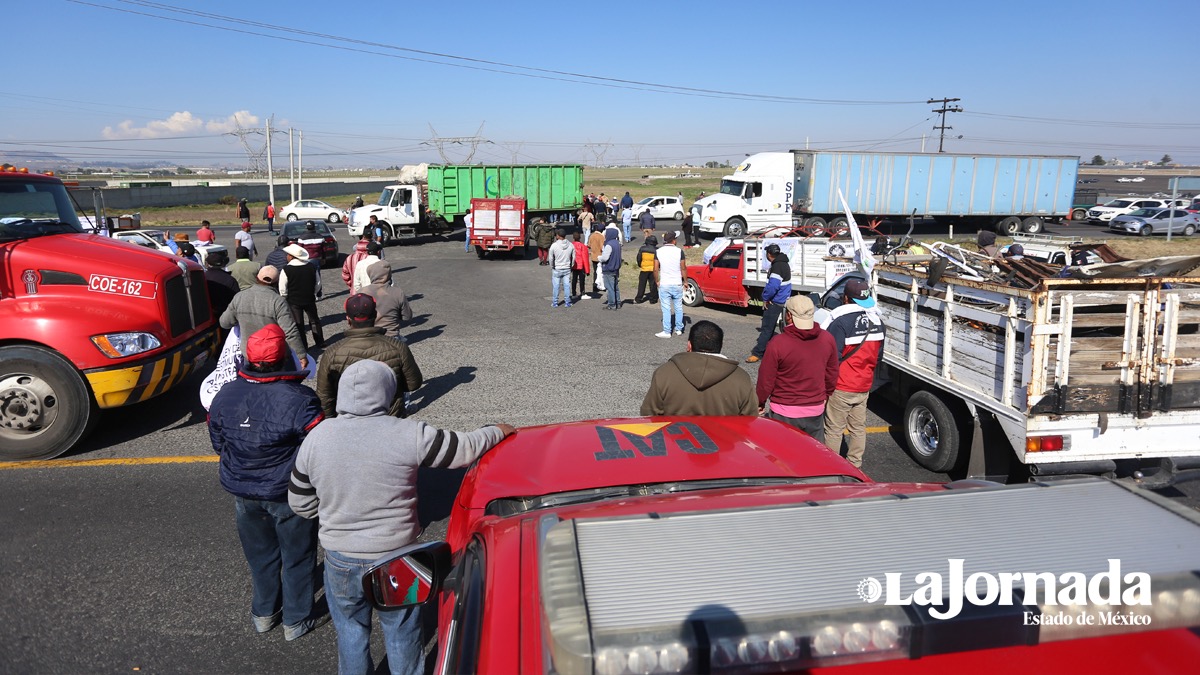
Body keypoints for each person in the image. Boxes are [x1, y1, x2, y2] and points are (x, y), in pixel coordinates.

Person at [289, 360, 515, 675]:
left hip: (340, 557)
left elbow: (299, 503)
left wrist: (331, 512)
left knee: (351, 633)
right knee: (402, 632)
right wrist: (496, 430)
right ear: (386, 392)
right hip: (396, 557)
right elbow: (464, 450)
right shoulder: (407, 433)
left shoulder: (318, 437)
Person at [208, 324, 325, 641]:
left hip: (244, 491)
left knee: (261, 558)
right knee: (298, 558)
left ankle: (264, 614)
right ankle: (296, 620)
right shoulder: (301, 399)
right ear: (283, 358)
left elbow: (218, 443)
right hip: (288, 493)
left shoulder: (226, 394)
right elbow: (318, 447)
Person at [316, 294, 422, 419]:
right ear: (375, 315)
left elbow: (324, 396)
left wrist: (331, 422)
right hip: (389, 417)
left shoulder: (331, 353)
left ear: (348, 319)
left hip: (348, 421)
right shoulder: (398, 347)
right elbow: (413, 383)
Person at [820, 278, 886, 468]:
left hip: (842, 384)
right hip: (864, 384)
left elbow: (831, 356)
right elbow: (878, 357)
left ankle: (833, 467)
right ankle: (855, 464)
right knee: (858, 428)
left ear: (846, 298)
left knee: (833, 429)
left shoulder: (841, 321)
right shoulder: (878, 321)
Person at [756, 295, 839, 444]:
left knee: (784, 456)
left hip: (784, 410)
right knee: (813, 455)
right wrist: (825, 395)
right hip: (815, 408)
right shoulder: (827, 339)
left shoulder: (778, 343)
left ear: (788, 315)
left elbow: (766, 379)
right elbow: (832, 373)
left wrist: (760, 401)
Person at [640, 320, 757, 416]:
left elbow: (648, 414)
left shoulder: (664, 373)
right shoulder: (742, 379)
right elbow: (749, 419)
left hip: (673, 442)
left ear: (689, 345)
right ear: (720, 346)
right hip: (722, 443)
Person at [221, 265, 308, 368]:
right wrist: (301, 355)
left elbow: (224, 323)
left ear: (257, 278)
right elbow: (289, 331)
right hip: (274, 355)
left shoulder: (239, 297)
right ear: (276, 282)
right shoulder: (278, 301)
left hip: (249, 354)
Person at [745, 244, 791, 363]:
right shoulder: (783, 263)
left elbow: (773, 286)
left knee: (766, 328)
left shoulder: (777, 266)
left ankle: (758, 353)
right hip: (781, 300)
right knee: (773, 329)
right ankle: (772, 349)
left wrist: (766, 298)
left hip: (775, 301)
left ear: (769, 254)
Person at [278, 244, 324, 350]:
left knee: (299, 324)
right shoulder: (310, 266)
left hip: (293, 301)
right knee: (314, 320)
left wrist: (285, 297)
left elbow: (282, 288)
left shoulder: (286, 269)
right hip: (309, 298)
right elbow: (318, 284)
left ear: (291, 256)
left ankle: (303, 345)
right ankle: (320, 342)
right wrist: (313, 292)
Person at [361, 260, 413, 341]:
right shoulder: (398, 292)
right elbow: (407, 317)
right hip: (391, 337)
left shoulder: (362, 292)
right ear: (389, 275)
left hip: (369, 337)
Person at [654, 231, 687, 338]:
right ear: (673, 240)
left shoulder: (658, 251)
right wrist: (685, 281)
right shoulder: (679, 251)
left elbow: (655, 269)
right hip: (677, 282)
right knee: (678, 306)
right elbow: (683, 268)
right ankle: (679, 329)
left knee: (666, 308)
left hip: (665, 283)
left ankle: (667, 331)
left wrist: (657, 281)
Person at [204, 249, 240, 318]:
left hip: (207, 316)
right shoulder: (230, 279)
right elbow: (236, 300)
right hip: (225, 315)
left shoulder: (203, 278)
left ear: (207, 264)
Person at [548, 227, 575, 308]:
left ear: (559, 236)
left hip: (557, 268)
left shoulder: (554, 245)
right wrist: (571, 265)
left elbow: (551, 258)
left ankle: (555, 302)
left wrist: (552, 266)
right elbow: (574, 257)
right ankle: (567, 302)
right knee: (567, 286)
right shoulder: (570, 245)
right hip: (567, 268)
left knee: (556, 286)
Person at [599, 225, 622, 310]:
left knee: (610, 287)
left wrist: (599, 258)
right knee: (616, 287)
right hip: (616, 268)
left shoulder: (609, 245)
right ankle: (618, 302)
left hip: (609, 268)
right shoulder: (617, 243)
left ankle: (612, 304)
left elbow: (605, 257)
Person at [634, 235, 659, 304]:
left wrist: (640, 265)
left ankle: (638, 298)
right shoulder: (657, 250)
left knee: (642, 285)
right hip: (653, 270)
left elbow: (639, 258)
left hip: (644, 269)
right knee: (653, 285)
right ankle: (653, 299)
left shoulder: (642, 249)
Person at [570, 232, 592, 302]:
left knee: (574, 279)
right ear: (580, 238)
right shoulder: (583, 246)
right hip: (581, 265)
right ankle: (582, 293)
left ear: (573, 237)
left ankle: (573, 293)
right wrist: (587, 270)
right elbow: (585, 258)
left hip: (573, 265)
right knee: (582, 279)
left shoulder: (571, 245)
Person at [588, 223, 606, 297]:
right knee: (601, 272)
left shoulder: (591, 236)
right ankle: (601, 285)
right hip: (600, 256)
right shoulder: (601, 237)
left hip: (593, 256)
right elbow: (602, 247)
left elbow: (589, 245)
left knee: (595, 272)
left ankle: (595, 286)